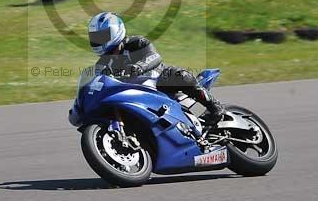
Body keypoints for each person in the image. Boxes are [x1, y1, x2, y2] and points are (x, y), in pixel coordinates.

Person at [87, 11, 225, 124]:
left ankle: (215, 107)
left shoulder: (136, 43)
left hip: (159, 84)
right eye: (95, 38)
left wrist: (138, 67)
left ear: (115, 31)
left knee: (177, 74)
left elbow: (154, 57)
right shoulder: (102, 64)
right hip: (132, 96)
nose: (98, 41)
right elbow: (98, 83)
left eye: (102, 36)